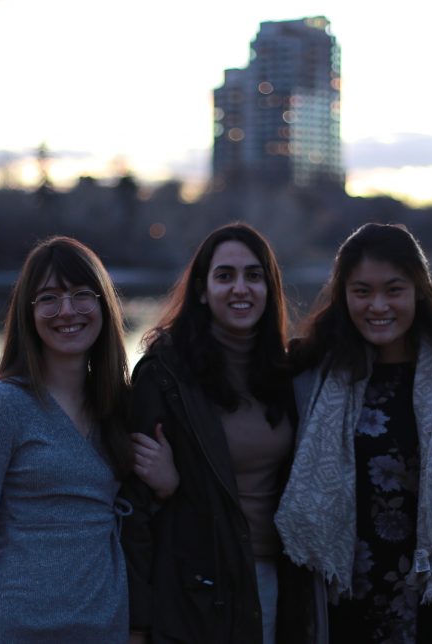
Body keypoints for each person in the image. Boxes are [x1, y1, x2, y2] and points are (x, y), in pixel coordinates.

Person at [277, 222, 432, 643]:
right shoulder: (310, 376)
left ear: (418, 292)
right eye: (362, 291)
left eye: (394, 290)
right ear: (343, 296)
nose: (378, 305)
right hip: (343, 595)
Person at [0, 236, 135, 643]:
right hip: (16, 629)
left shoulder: (120, 407)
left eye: (82, 294)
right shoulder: (1, 408)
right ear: (29, 313)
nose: (67, 311)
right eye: (49, 298)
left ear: (103, 306)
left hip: (104, 629)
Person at [121, 223, 310, 644]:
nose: (240, 288)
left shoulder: (289, 374)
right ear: (203, 290)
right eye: (225, 276)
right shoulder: (165, 377)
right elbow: (131, 511)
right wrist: (138, 624)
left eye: (253, 276)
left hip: (275, 580)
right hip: (197, 588)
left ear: (269, 289)